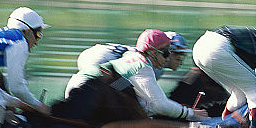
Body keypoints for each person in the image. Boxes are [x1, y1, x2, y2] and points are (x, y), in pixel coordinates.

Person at [70, 29, 200, 121]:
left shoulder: (136, 57)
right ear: (153, 52)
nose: (168, 59)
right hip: (89, 84)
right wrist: (190, 113)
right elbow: (160, 104)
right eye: (166, 54)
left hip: (83, 80)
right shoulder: (145, 67)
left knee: (134, 102)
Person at [65, 31, 193, 97]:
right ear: (168, 52)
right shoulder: (155, 68)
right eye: (179, 56)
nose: (181, 61)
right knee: (127, 96)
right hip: (99, 61)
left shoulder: (151, 58)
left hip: (91, 55)